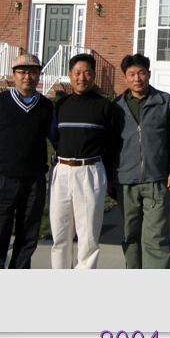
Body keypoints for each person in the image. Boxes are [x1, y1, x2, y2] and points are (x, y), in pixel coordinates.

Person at [0, 53, 57, 269]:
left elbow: (59, 141)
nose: (27, 77)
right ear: (14, 75)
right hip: (3, 180)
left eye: (33, 72)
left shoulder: (47, 107)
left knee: (28, 238)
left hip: (34, 182)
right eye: (22, 72)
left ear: (39, 75)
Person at [113, 53, 170, 269]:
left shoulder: (164, 101)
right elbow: (110, 145)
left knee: (157, 237)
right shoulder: (116, 106)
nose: (137, 78)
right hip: (126, 181)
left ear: (149, 74)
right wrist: (110, 178)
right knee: (130, 235)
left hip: (156, 179)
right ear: (125, 77)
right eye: (132, 74)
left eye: (141, 73)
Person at [50, 53, 119, 269]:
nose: (82, 78)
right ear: (70, 75)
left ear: (94, 75)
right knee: (60, 234)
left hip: (90, 171)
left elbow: (112, 144)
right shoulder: (61, 105)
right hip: (62, 170)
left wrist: (110, 177)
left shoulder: (105, 107)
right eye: (77, 73)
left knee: (88, 237)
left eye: (87, 73)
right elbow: (55, 138)